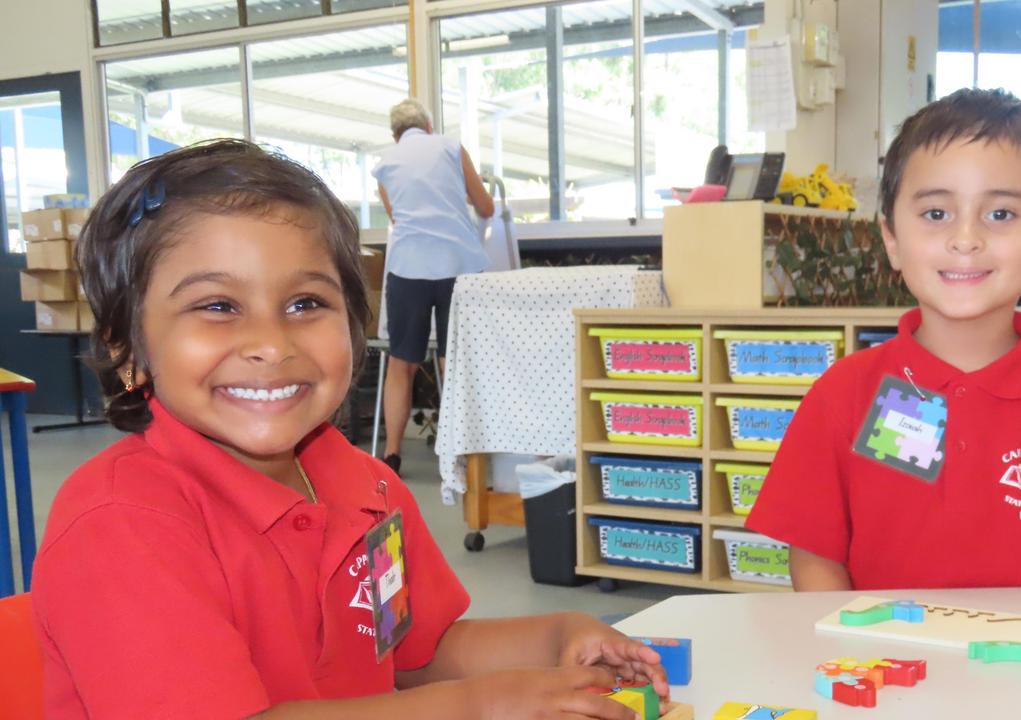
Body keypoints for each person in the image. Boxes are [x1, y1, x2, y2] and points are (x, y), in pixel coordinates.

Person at [32, 139, 665, 719]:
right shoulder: (121, 522)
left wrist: (557, 637)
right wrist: (475, 707)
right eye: (217, 306)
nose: (271, 344)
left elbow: (417, 655)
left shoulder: (368, 488)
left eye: (306, 304)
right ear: (129, 352)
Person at [746, 89, 1021, 591]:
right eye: (936, 213)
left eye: (1000, 214)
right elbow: (815, 559)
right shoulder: (842, 395)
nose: (965, 239)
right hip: (885, 664)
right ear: (891, 237)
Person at [373, 98, 494, 475]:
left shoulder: (385, 163)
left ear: (396, 133)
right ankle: (458, 455)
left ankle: (392, 454)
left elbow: (395, 216)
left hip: (408, 268)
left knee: (401, 363)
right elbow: (486, 207)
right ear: (428, 125)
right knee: (453, 361)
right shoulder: (450, 147)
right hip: (458, 267)